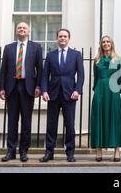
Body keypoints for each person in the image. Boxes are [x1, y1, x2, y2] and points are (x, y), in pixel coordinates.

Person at [0, 22, 43, 162]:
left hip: (27, 87)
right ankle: (10, 151)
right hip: (12, 86)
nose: (21, 30)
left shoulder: (36, 47)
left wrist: (39, 87)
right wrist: (1, 88)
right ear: (16, 31)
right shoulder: (9, 48)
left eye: (24, 28)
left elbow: (40, 69)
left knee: (26, 121)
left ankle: (23, 151)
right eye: (19, 28)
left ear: (29, 32)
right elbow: (3, 69)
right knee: (12, 121)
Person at [40, 29, 84, 162]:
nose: (62, 38)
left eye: (65, 36)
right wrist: (44, 91)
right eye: (60, 36)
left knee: (70, 125)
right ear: (57, 38)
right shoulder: (50, 55)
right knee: (51, 125)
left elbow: (81, 75)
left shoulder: (76, 54)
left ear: (69, 38)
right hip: (53, 94)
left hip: (70, 94)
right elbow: (44, 75)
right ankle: (49, 152)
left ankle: (70, 153)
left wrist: (77, 90)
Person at [90, 35, 121, 162]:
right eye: (103, 42)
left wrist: (117, 91)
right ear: (101, 44)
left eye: (108, 41)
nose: (106, 44)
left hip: (113, 91)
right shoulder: (97, 60)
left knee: (115, 119)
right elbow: (95, 78)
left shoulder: (118, 59)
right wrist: (97, 90)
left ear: (112, 44)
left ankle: (117, 150)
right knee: (99, 118)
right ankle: (99, 150)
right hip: (100, 90)